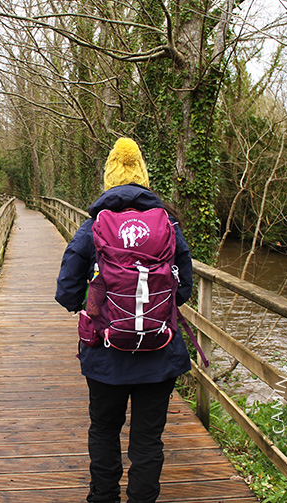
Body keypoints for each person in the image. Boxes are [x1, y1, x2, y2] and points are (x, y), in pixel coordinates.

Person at [55, 137, 194, 503]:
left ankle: (103, 498)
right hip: (159, 353)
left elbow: (66, 291)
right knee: (148, 439)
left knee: (104, 429)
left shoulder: (92, 229)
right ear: (143, 177)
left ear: (109, 179)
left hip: (105, 356)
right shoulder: (168, 226)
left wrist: (96, 301)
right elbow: (184, 291)